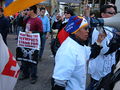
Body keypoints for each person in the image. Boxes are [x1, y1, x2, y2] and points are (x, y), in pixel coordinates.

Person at [51, 16, 106, 90]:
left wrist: (99, 40)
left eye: (88, 28)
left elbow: (91, 53)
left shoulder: (78, 44)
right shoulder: (67, 50)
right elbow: (59, 83)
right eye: (85, 28)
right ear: (76, 31)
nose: (88, 31)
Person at [87, 4, 120, 90]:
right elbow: (104, 50)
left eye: (114, 13)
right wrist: (117, 40)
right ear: (102, 14)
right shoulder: (99, 29)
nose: (113, 16)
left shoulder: (114, 28)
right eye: (110, 13)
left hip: (109, 68)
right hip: (99, 69)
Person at [19, 5, 43, 84]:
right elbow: (21, 25)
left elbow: (41, 32)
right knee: (25, 59)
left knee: (33, 60)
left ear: (32, 10)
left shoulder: (38, 20)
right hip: (26, 43)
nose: (26, 11)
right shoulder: (27, 18)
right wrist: (22, 16)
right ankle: (25, 74)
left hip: (33, 44)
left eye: (28, 9)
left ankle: (33, 76)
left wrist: (32, 32)